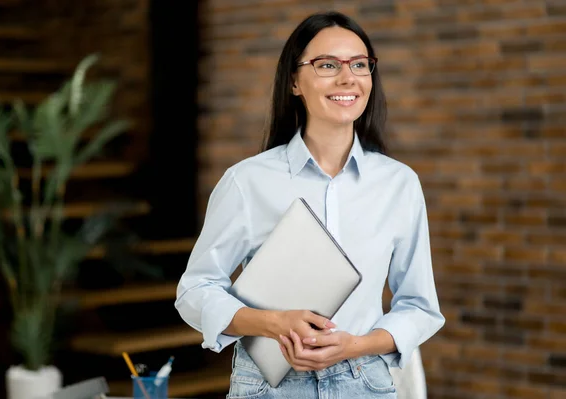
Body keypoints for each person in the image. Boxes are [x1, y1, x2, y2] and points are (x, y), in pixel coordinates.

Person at [175, 10, 445, 399]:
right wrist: (272, 323)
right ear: (294, 82)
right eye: (327, 64)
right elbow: (195, 290)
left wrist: (356, 345)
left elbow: (419, 307)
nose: (347, 78)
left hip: (364, 381)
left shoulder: (399, 184)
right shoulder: (248, 181)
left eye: (359, 65)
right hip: (269, 386)